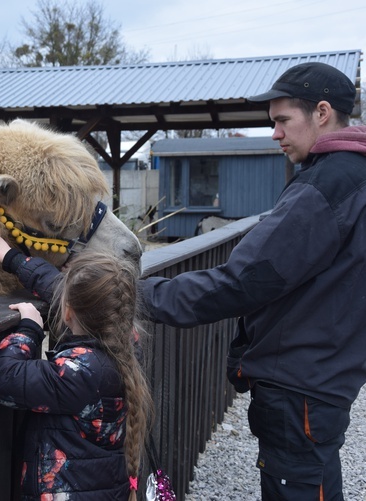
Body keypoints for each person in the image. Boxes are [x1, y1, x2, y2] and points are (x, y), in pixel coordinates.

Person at [139, 61, 366, 500]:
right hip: (326, 376)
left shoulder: (325, 186)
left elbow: (240, 282)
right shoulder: (354, 177)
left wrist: (136, 295)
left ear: (322, 113)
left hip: (301, 385)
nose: (276, 133)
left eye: (282, 121)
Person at [0, 229, 151, 501]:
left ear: (66, 312)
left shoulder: (78, 373)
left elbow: (2, 379)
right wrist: (12, 258)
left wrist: (29, 329)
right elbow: (69, 290)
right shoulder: (124, 343)